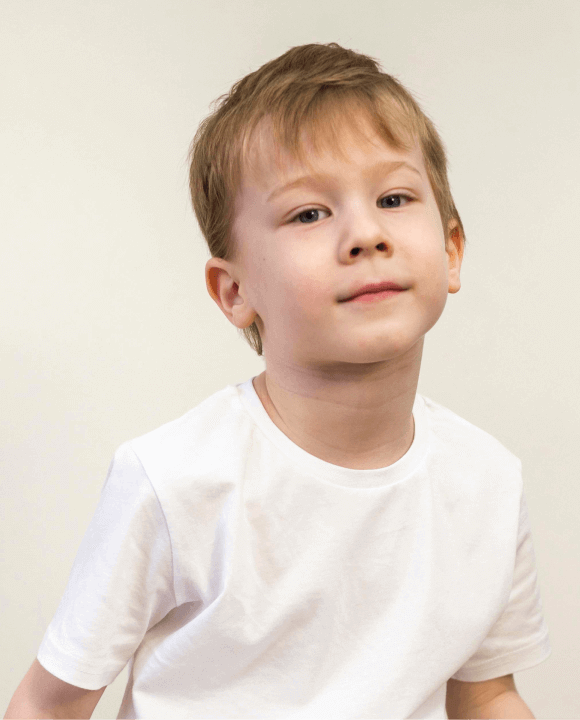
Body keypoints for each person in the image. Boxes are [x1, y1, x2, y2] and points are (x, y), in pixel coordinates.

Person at [5, 42, 550, 720]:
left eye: (393, 197)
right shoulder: (175, 481)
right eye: (309, 213)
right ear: (234, 291)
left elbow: (488, 696)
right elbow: (47, 706)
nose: (365, 233)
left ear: (451, 248)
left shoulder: (488, 482)